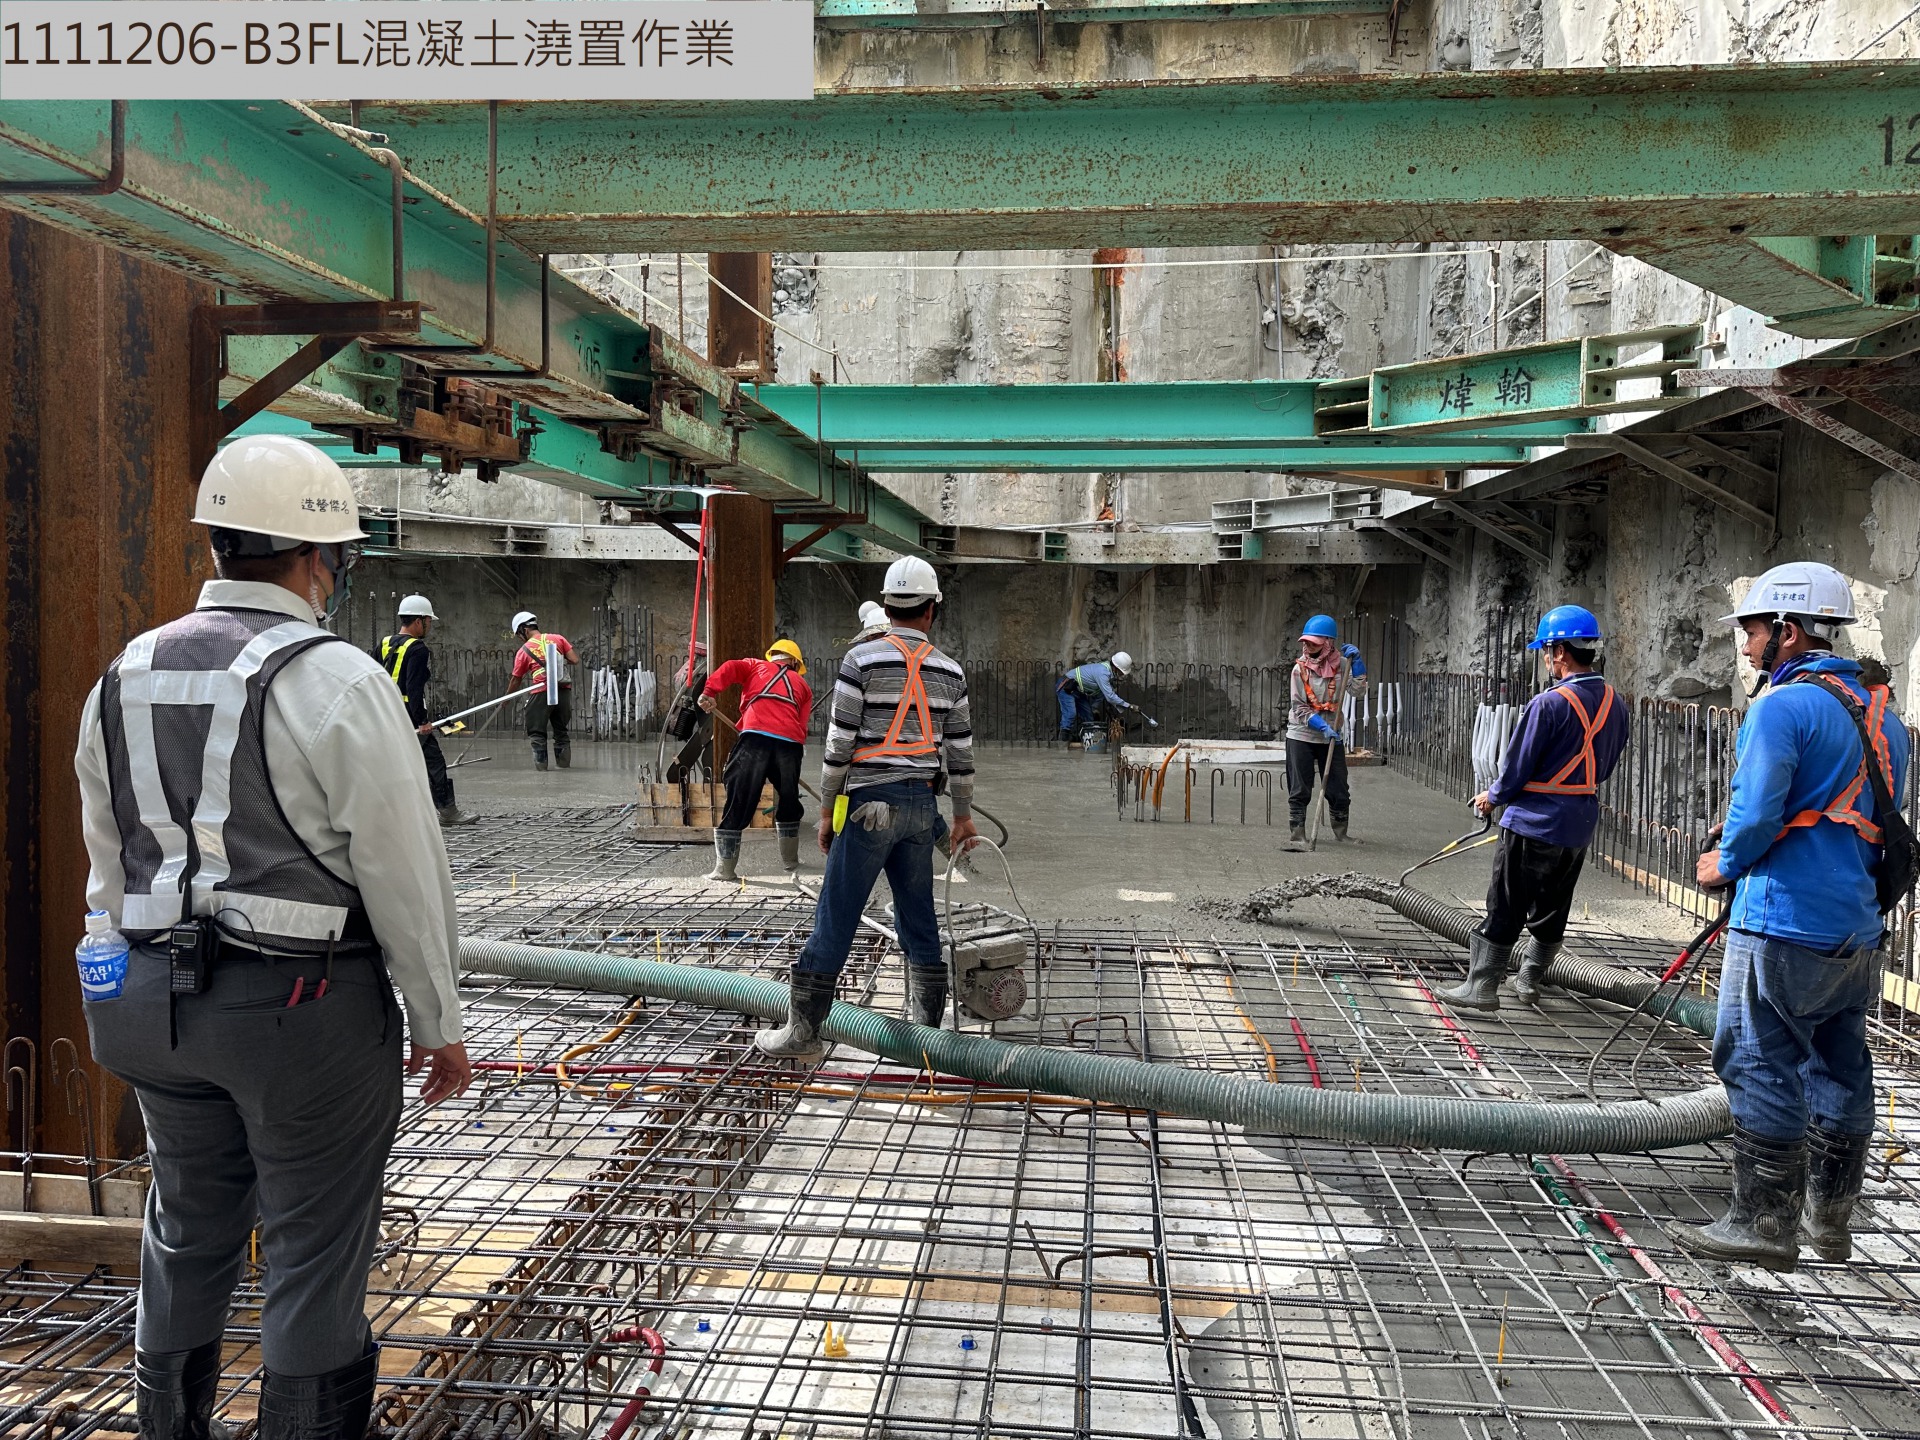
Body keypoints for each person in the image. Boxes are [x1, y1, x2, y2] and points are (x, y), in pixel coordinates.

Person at [73, 435, 470, 1440]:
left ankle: (167, 1427)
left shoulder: (123, 673)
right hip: (298, 1015)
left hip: (146, 1008)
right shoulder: (335, 678)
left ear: (217, 544)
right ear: (319, 556)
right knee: (311, 1250)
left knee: (185, 1227)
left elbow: (109, 859)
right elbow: (403, 869)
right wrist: (437, 1021)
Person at [1676, 562, 1909, 1273]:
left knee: (1756, 1057)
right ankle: (1829, 1222)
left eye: (1751, 630)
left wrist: (1723, 863)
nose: (1746, 646)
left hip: (1782, 921)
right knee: (1840, 1063)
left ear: (1788, 630)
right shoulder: (1883, 715)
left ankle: (1763, 1222)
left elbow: (1756, 814)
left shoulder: (1781, 708)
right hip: (1855, 926)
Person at [758, 556, 978, 1057]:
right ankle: (927, 1035)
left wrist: (827, 811)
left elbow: (839, 745)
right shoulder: (951, 671)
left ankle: (803, 1032)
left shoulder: (861, 661)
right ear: (932, 609)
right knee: (918, 914)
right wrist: (962, 816)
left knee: (837, 913)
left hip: (869, 807)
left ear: (887, 606)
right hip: (921, 807)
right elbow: (961, 753)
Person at [1444, 606, 1628, 1012]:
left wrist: (1492, 796)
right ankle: (1529, 979)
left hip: (1533, 822)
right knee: (1553, 905)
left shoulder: (1548, 704)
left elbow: (1516, 767)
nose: (1545, 659)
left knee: (1506, 904)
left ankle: (1482, 986)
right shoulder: (1616, 704)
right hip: (1579, 821)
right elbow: (1606, 766)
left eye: (1546, 651)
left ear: (1560, 652)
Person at [700, 639, 814, 882]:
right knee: (789, 799)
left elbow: (730, 667)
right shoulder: (803, 685)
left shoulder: (755, 666)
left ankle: (725, 870)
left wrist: (709, 692)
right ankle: (790, 861)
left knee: (739, 798)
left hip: (755, 739)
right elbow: (802, 725)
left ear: (772, 656)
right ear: (795, 663)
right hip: (789, 744)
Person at [378, 594, 477, 829]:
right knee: (434, 762)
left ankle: (387, 813)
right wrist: (422, 721)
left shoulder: (384, 643)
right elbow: (414, 688)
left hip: (385, 711)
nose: (430, 626)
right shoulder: (418, 649)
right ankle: (448, 812)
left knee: (392, 763)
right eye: (429, 621)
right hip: (407, 714)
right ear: (419, 621)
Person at [1285, 615, 1366, 842]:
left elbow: (1358, 691)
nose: (1308, 646)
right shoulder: (1299, 669)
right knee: (1300, 788)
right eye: (1306, 642)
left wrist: (1358, 666)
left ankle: (1341, 833)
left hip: (1332, 736)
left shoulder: (1342, 665)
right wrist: (1321, 725)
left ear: (1328, 643)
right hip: (1301, 734)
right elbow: (1299, 707)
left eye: (1314, 643)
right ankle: (1298, 834)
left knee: (1338, 788)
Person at [508, 611, 579, 770]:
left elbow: (516, 679)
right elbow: (574, 660)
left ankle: (542, 771)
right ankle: (564, 767)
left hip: (541, 691)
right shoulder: (558, 639)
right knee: (561, 731)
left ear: (525, 630)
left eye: (519, 635)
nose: (520, 639)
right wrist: (556, 660)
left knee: (537, 733)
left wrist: (506, 698)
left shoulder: (524, 650)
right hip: (562, 690)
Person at [1056, 652, 1139, 746]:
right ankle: (1063, 740)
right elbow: (1110, 697)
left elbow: (1107, 694)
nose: (1122, 675)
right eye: (1121, 672)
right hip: (1066, 687)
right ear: (1116, 668)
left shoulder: (1106, 671)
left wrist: (1095, 708)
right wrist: (1129, 706)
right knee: (1070, 713)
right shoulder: (1103, 673)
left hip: (1077, 690)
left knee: (1089, 717)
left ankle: (1086, 740)